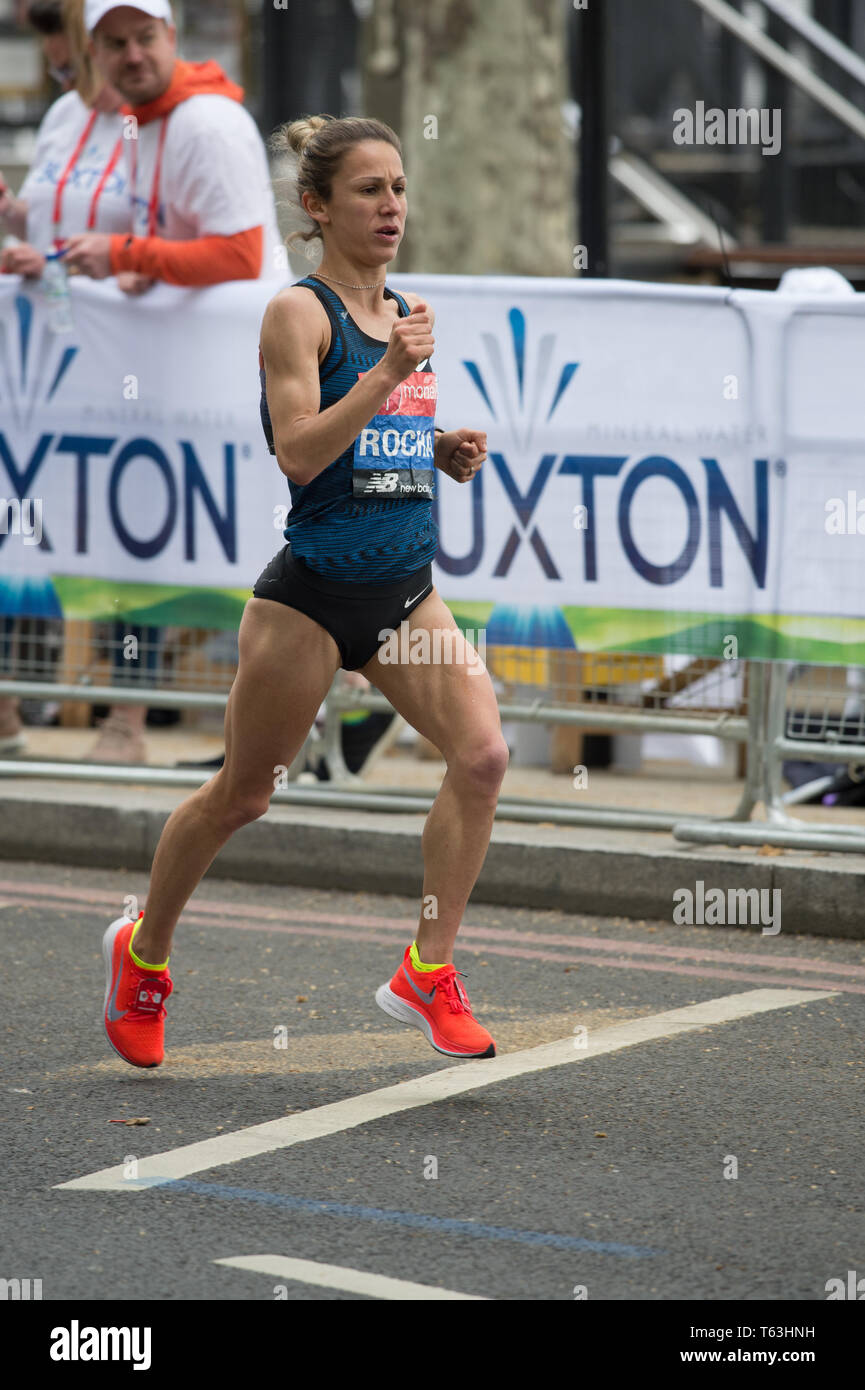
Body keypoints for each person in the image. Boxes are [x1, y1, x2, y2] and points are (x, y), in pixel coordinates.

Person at [102, 113, 509, 1071]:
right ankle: (143, 953)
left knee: (484, 758)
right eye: (369, 190)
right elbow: (298, 452)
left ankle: (426, 968)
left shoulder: (404, 309)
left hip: (405, 593)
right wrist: (388, 375)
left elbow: (370, 438)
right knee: (244, 795)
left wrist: (435, 444)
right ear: (318, 207)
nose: (391, 206)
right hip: (311, 601)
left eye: (399, 188)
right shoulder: (299, 311)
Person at [62, 0, 283, 286]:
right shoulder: (138, 118)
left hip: (240, 329)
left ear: (170, 37)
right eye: (116, 44)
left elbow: (241, 258)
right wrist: (146, 269)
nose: (133, 56)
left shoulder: (208, 124)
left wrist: (126, 255)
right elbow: (173, 237)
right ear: (95, 53)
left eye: (146, 37)